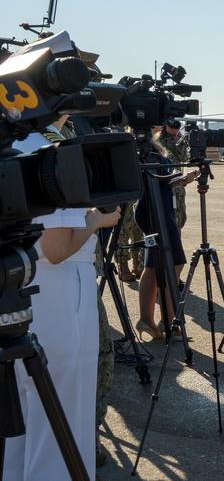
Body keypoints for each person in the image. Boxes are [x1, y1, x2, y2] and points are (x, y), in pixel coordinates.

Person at [4, 117, 122, 481]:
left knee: (20, 419)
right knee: (61, 414)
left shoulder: (14, 143)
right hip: (59, 287)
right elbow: (56, 248)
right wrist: (98, 221)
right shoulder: (48, 149)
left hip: (18, 284)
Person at [133, 137, 198, 341]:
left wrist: (182, 180)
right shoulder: (140, 147)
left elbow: (162, 182)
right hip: (155, 210)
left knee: (153, 266)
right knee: (174, 263)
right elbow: (150, 178)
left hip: (158, 208)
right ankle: (171, 323)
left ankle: (148, 320)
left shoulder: (148, 147)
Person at [156, 119, 190, 229]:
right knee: (165, 219)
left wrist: (176, 138)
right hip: (162, 184)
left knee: (180, 218)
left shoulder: (180, 138)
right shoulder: (157, 138)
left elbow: (184, 158)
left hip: (178, 183)